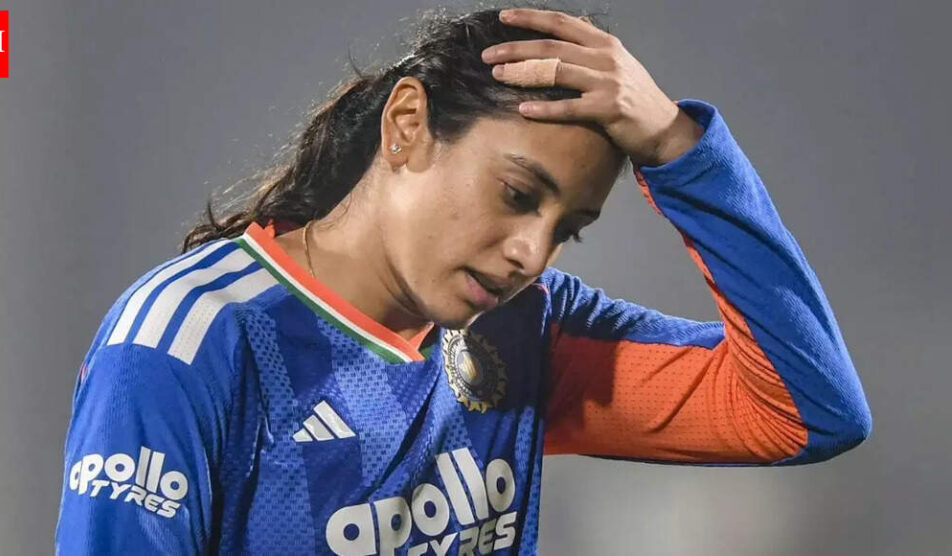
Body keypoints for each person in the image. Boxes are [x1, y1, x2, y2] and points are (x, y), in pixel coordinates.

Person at [54, 6, 871, 555]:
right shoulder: (187, 344)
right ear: (407, 125)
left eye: (567, 229)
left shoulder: (524, 334)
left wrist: (678, 147)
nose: (532, 254)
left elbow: (808, 411)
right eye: (517, 195)